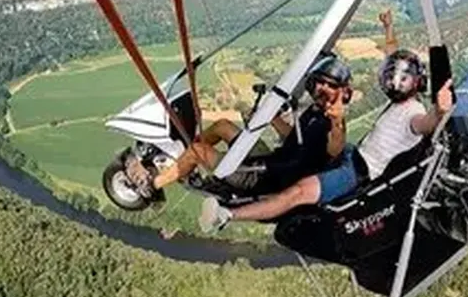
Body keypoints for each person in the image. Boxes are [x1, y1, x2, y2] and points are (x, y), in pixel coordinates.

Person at [199, 8, 454, 233]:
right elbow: (392, 56)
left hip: (358, 174)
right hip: (354, 155)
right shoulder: (401, 102)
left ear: (416, 84)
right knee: (310, 152)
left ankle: (227, 215)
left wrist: (441, 111)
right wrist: (388, 27)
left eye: (397, 79)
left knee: (298, 192)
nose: (391, 82)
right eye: (390, 76)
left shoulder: (413, 113)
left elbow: (427, 123)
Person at [125, 54, 352, 200]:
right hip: (271, 159)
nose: (322, 88)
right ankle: (181, 159)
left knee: (199, 152)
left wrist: (338, 120)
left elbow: (335, 149)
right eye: (320, 82)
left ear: (342, 91)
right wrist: (273, 118)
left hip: (265, 179)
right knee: (223, 125)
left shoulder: (332, 121)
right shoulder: (315, 111)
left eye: (330, 85)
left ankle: (151, 185)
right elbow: (294, 138)